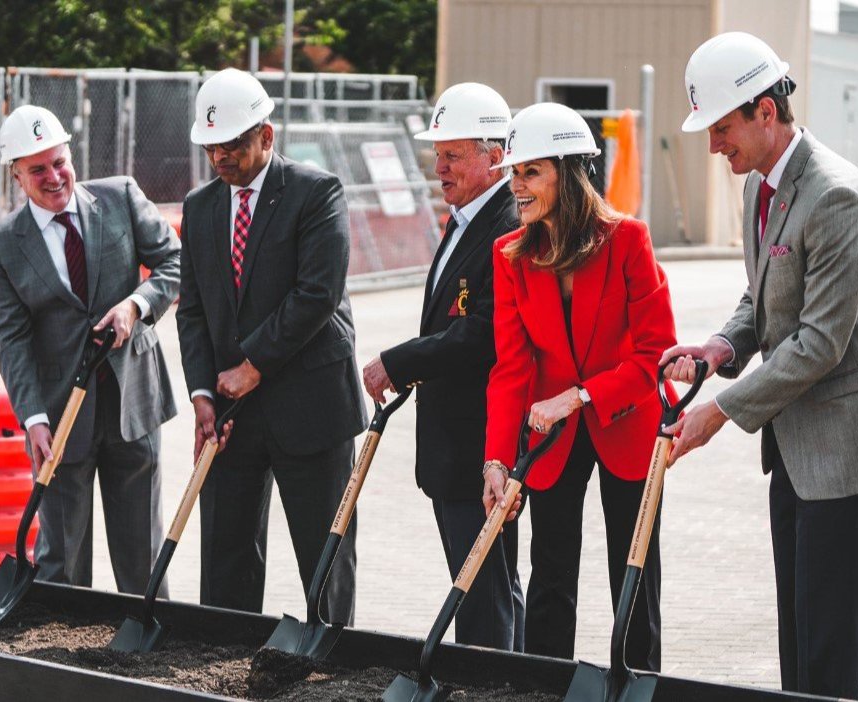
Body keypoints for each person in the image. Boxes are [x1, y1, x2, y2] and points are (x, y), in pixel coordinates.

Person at [659, 32, 858, 698]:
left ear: (765, 113)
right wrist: (719, 348)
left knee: (826, 640)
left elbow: (818, 342)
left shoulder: (836, 197)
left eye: (722, 129)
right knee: (797, 632)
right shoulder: (765, 186)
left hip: (848, 444)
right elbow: (764, 295)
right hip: (797, 441)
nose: (714, 145)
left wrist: (717, 410)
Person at [482, 102, 677, 670]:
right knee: (550, 577)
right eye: (513, 173)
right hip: (552, 437)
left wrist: (581, 395)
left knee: (635, 577)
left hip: (628, 421)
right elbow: (511, 368)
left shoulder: (628, 240)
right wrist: (496, 460)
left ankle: (636, 683)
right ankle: (548, 683)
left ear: (568, 174)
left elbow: (655, 354)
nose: (516, 185)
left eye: (530, 172)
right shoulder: (510, 254)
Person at [177, 68, 367, 616]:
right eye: (211, 147)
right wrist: (201, 395)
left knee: (323, 557)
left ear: (267, 135)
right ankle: (224, 661)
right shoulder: (199, 207)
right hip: (231, 411)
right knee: (225, 556)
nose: (220, 158)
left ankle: (332, 667)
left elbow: (317, 294)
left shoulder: (316, 192)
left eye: (232, 144)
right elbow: (191, 310)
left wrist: (253, 365)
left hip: (311, 405)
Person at [0, 104, 180, 594]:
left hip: (133, 401)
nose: (54, 176)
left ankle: (148, 651)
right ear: (17, 177)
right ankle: (61, 661)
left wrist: (137, 304)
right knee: (61, 560)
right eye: (38, 169)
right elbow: (10, 339)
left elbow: (175, 263)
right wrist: (32, 418)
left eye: (59, 161)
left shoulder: (120, 198)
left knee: (142, 554)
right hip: (59, 417)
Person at [362, 83, 524, 650]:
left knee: (483, 592)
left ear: (495, 155)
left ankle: (493, 684)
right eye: (438, 155)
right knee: (487, 586)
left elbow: (482, 333)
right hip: (457, 445)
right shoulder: (467, 221)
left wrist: (398, 361)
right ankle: (505, 677)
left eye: (452, 156)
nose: (440, 168)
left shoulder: (506, 227)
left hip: (479, 446)